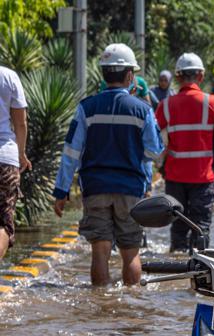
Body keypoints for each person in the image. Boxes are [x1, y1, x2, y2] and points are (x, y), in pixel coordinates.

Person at [53, 43, 163, 285]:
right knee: (131, 251)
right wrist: (133, 156)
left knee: (99, 251)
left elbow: (71, 153)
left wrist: (61, 192)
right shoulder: (142, 110)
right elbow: (154, 152)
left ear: (103, 74)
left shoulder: (86, 108)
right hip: (130, 190)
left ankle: (101, 306)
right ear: (130, 76)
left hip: (95, 188)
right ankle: (130, 306)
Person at [155, 52, 214, 251]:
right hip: (203, 178)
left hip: (175, 177)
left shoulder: (165, 106)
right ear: (201, 76)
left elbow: (154, 138)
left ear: (178, 77)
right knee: (201, 228)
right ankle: (199, 272)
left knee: (178, 227)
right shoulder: (213, 103)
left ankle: (175, 270)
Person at [0, 64, 29, 261]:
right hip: (5, 157)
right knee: (3, 223)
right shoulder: (8, 76)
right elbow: (20, 122)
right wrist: (21, 154)